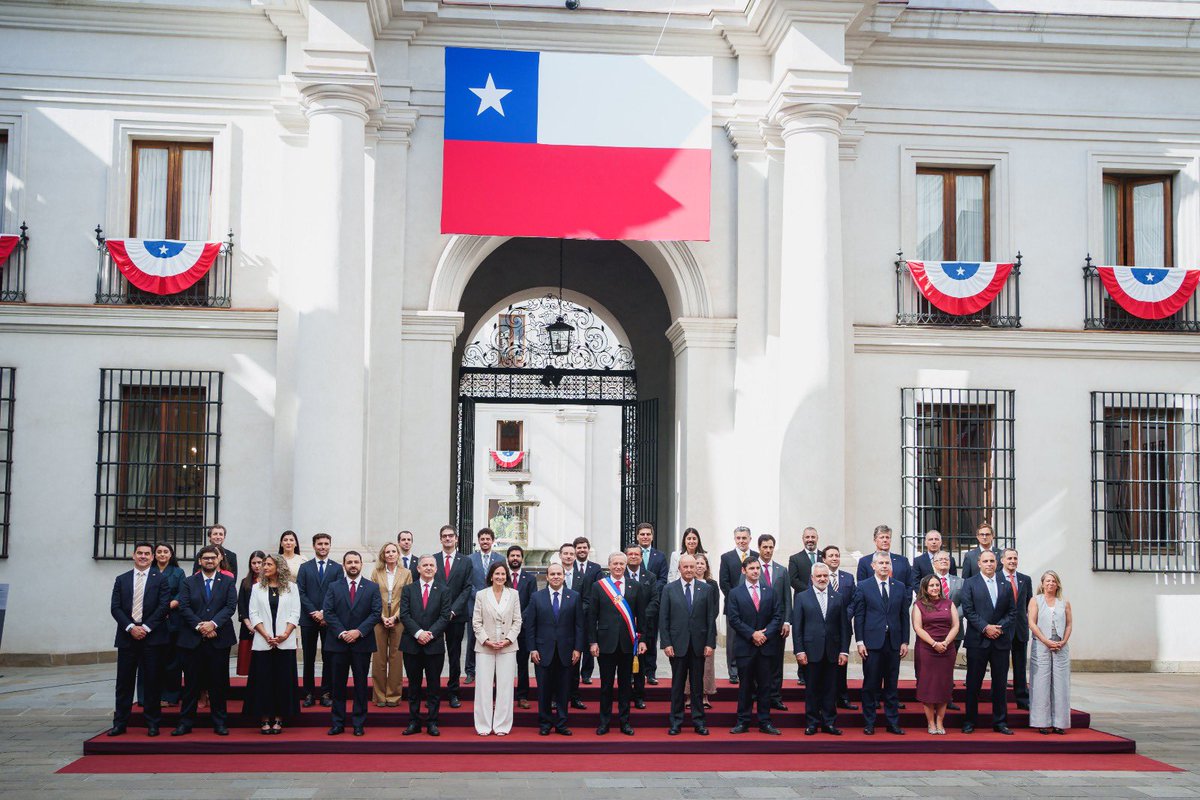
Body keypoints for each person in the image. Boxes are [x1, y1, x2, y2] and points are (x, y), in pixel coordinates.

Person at [173, 545, 238, 736]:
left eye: (213, 558)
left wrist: (213, 624)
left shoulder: (227, 582)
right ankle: (185, 723)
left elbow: (230, 606)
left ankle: (219, 722)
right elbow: (184, 607)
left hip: (219, 639)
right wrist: (201, 626)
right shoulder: (188, 582)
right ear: (200, 561)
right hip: (192, 640)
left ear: (219, 560)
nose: (209, 561)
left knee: (218, 684)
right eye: (205, 558)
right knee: (191, 684)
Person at [109, 542, 170, 737]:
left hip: (152, 637)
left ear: (152, 557)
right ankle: (120, 723)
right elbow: (115, 607)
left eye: (147, 554)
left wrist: (144, 627)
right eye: (139, 553)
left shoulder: (160, 579)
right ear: (133, 555)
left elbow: (163, 607)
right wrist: (130, 627)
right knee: (124, 682)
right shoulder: (121, 579)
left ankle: (152, 723)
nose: (143, 556)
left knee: (152, 681)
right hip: (127, 637)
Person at [586, 551, 650, 736]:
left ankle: (625, 722)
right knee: (606, 686)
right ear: (609, 565)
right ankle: (604, 722)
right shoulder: (599, 586)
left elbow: (642, 616)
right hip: (605, 644)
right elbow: (592, 617)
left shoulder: (635, 586)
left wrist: (643, 639)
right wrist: (592, 642)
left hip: (628, 643)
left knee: (625, 686)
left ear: (626, 565)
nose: (618, 567)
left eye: (622, 564)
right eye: (615, 564)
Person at [323, 551, 382, 736]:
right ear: (344, 565)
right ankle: (338, 723)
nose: (353, 565)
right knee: (338, 685)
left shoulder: (372, 587)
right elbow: (328, 612)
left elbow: (375, 613)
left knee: (360, 685)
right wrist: (342, 632)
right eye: (350, 562)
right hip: (338, 643)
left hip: (361, 643)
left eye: (356, 562)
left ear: (362, 564)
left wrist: (358, 632)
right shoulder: (334, 587)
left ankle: (358, 723)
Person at [851, 551, 910, 736]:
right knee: (870, 684)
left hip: (893, 643)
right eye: (881, 563)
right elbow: (859, 616)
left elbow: (903, 616)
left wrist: (905, 641)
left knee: (891, 685)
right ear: (873, 566)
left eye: (887, 563)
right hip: (871, 644)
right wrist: (859, 641)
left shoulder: (899, 587)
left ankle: (892, 722)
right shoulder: (863, 586)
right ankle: (869, 722)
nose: (885, 566)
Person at [960, 549, 1017, 735]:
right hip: (978, 640)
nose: (989, 564)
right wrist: (986, 628)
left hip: (1000, 641)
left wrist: (998, 628)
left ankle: (1000, 722)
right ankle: (969, 721)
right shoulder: (969, 583)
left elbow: (1012, 612)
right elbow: (968, 610)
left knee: (1000, 684)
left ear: (997, 563)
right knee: (973, 684)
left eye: (992, 561)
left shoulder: (1006, 584)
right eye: (986, 561)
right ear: (979, 564)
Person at [659, 553, 716, 736]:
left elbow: (710, 619)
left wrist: (710, 643)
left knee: (697, 686)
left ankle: (699, 721)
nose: (690, 570)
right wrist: (666, 643)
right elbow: (664, 618)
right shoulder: (669, 589)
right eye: (686, 567)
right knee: (677, 686)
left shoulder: (705, 589)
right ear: (680, 568)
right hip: (677, 646)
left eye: (693, 567)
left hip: (699, 645)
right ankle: (676, 721)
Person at [726, 556, 782, 735]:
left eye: (757, 568)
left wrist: (764, 634)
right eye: (751, 568)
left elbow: (777, 616)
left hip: (766, 647)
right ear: (744, 571)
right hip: (745, 647)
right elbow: (734, 619)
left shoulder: (770, 592)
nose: (756, 571)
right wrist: (753, 634)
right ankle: (743, 721)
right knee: (745, 686)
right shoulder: (735, 593)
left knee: (765, 686)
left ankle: (765, 722)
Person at [792, 562, 850, 736]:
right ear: (812, 578)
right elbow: (798, 628)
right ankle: (812, 723)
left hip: (832, 651)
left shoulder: (838, 597)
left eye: (825, 576)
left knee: (830, 689)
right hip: (810, 651)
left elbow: (843, 627)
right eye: (819, 576)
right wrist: (799, 650)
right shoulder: (802, 597)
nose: (822, 579)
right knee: (812, 690)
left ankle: (829, 723)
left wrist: (844, 651)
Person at [525, 562, 584, 735]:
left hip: (567, 651)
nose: (556, 577)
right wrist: (532, 649)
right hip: (542, 652)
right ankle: (545, 723)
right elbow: (531, 626)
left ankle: (561, 723)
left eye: (559, 574)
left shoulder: (574, 596)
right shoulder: (537, 597)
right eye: (553, 574)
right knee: (544, 689)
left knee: (564, 689)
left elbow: (579, 625)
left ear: (564, 576)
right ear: (547, 577)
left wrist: (578, 649)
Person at [399, 554, 453, 737]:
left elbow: (445, 616)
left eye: (432, 565)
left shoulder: (444, 590)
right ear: (418, 569)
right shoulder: (408, 590)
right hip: (411, 645)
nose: (429, 568)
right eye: (425, 565)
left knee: (434, 686)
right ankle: (414, 722)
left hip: (434, 645)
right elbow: (404, 615)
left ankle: (432, 722)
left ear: (436, 569)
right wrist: (418, 633)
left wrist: (430, 634)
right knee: (413, 687)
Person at [248, 554, 301, 734]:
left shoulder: (292, 588)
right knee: (263, 681)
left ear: (279, 567)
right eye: (264, 564)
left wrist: (285, 634)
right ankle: (264, 718)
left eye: (269, 564)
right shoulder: (257, 588)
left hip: (284, 642)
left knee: (282, 681)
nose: (264, 566)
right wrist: (266, 634)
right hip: (263, 641)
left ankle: (279, 717)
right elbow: (253, 613)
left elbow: (295, 613)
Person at [472, 561, 522, 735]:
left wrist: (508, 640)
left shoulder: (514, 594)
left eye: (503, 574)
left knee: (505, 687)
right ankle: (483, 725)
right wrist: (486, 640)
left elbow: (518, 621)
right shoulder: (481, 595)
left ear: (507, 576)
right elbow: (476, 622)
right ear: (491, 576)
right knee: (483, 687)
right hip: (485, 647)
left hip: (507, 647)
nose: (500, 577)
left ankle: (502, 725)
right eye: (497, 574)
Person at [296, 533, 342, 708]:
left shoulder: (337, 568)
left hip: (328, 620)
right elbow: (300, 592)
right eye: (320, 544)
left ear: (330, 545)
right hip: (309, 619)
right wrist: (314, 612)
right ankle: (308, 693)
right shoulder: (305, 567)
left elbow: (337, 593)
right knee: (308, 657)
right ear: (314, 546)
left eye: (326, 544)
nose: (323, 546)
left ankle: (326, 692)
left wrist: (324, 613)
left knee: (328, 656)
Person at [912, 573, 959, 735]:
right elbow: (918, 628)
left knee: (943, 686)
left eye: (937, 585)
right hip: (927, 650)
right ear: (925, 588)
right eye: (931, 585)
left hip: (947, 649)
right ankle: (931, 723)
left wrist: (945, 643)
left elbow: (955, 626)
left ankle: (940, 722)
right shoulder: (919, 605)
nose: (934, 588)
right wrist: (933, 643)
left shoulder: (949, 603)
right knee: (928, 686)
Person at [432, 525, 472, 708]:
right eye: (444, 536)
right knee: (434, 656)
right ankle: (433, 693)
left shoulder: (465, 561)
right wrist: (441, 612)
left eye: (450, 536)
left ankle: (453, 693)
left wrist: (453, 610)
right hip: (435, 617)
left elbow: (467, 588)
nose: (447, 539)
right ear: (440, 539)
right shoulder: (432, 560)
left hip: (456, 616)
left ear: (456, 539)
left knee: (454, 656)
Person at [1029, 570, 1072, 734]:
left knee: (1060, 683)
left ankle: (1059, 722)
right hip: (1041, 643)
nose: (1050, 584)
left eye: (1053, 581)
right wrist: (1045, 640)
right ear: (1042, 583)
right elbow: (1032, 623)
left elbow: (1069, 624)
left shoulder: (1064, 602)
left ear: (1058, 584)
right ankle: (1042, 721)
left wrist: (1064, 640)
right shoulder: (1036, 600)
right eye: (1047, 581)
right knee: (1041, 682)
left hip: (1060, 643)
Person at [371, 541, 412, 707]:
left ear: (398, 554)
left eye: (393, 551)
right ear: (383, 555)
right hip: (379, 619)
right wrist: (381, 616)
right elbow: (372, 596)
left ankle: (394, 696)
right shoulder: (376, 572)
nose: (390, 554)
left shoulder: (406, 573)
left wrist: (395, 617)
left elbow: (407, 598)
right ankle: (380, 696)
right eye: (387, 552)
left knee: (396, 658)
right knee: (379, 658)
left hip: (399, 619)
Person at [464, 527, 504, 686]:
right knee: (473, 638)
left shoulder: (500, 558)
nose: (485, 542)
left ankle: (493, 672)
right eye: (482, 539)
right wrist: (481, 597)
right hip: (475, 604)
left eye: (488, 539)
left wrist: (492, 598)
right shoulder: (470, 559)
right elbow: (468, 582)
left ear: (492, 541)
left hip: (496, 606)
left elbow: (502, 579)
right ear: (478, 541)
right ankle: (470, 671)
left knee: (493, 637)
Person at [756, 534, 791, 709]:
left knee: (776, 663)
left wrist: (787, 622)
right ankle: (758, 695)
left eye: (771, 547)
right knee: (758, 662)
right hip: (758, 625)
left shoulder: (781, 570)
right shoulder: (752, 568)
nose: (768, 550)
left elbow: (787, 598)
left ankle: (775, 697)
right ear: (759, 548)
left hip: (778, 626)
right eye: (765, 547)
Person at [624, 544, 661, 707]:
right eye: (630, 554)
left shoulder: (650, 577)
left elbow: (655, 600)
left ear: (641, 557)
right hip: (622, 627)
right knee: (624, 663)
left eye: (636, 554)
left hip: (643, 627)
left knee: (641, 663)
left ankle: (639, 696)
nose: (633, 556)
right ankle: (624, 695)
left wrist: (641, 617)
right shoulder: (619, 575)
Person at [718, 525, 756, 684]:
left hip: (755, 606)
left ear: (750, 539)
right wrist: (737, 600)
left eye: (744, 538)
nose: (741, 541)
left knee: (751, 638)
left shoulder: (756, 556)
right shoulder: (726, 557)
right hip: (733, 606)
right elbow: (724, 583)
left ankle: (750, 671)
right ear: (735, 539)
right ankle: (733, 671)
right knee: (733, 640)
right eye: (738, 538)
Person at [822, 545, 858, 710]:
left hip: (844, 628)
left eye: (837, 555)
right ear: (824, 559)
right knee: (826, 664)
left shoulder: (848, 578)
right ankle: (826, 699)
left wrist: (846, 615)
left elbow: (854, 600)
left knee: (842, 663)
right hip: (825, 629)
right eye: (831, 556)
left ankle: (842, 698)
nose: (835, 558)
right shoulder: (819, 577)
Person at [151, 542, 186, 707]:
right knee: (152, 661)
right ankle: (150, 696)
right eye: (159, 552)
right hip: (151, 621)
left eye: (166, 551)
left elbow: (182, 593)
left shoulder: (178, 572)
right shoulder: (149, 571)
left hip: (172, 619)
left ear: (171, 554)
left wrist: (167, 607)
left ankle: (171, 696)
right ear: (154, 555)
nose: (162, 554)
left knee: (172, 661)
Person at [931, 550, 965, 710]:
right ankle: (932, 697)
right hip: (932, 631)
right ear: (934, 563)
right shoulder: (928, 582)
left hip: (955, 630)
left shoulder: (960, 582)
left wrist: (951, 616)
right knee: (933, 667)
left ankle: (947, 698)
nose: (944, 561)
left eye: (946, 559)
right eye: (940, 559)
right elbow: (923, 603)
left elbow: (966, 604)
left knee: (948, 666)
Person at [634, 522, 667, 684]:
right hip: (633, 606)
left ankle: (651, 672)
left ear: (652, 537)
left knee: (651, 639)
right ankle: (634, 673)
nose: (645, 537)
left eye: (648, 534)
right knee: (634, 640)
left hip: (652, 604)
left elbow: (663, 579)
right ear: (637, 536)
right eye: (642, 534)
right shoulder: (631, 554)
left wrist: (651, 588)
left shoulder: (660, 556)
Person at [1000, 547, 1033, 710]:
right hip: (1002, 629)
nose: (1012, 561)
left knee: (1020, 666)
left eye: (1015, 558)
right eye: (1009, 558)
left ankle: (1022, 698)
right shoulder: (996, 578)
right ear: (1002, 560)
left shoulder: (1025, 580)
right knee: (1001, 666)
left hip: (1020, 629)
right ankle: (999, 698)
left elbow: (1029, 605)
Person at [559, 541, 590, 709]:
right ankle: (557, 697)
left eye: (571, 554)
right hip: (558, 627)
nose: (569, 556)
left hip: (577, 626)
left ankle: (574, 696)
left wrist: (573, 610)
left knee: (575, 662)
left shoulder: (582, 577)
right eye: (566, 553)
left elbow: (587, 601)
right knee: (557, 664)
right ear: (560, 555)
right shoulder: (554, 574)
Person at [507, 545, 537, 709]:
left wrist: (517, 620)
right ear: (508, 558)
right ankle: (504, 696)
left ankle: (523, 696)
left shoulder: (530, 579)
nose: (515, 558)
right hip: (504, 629)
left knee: (522, 665)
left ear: (522, 558)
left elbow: (532, 602)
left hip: (523, 629)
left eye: (518, 555)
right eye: (512, 555)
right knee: (503, 664)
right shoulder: (502, 577)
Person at [573, 536, 602, 685]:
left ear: (588, 549)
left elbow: (599, 589)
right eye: (579, 547)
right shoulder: (570, 566)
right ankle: (573, 674)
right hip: (572, 613)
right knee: (575, 644)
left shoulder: (595, 568)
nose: (582, 550)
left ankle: (586, 674)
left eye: (584, 547)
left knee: (589, 642)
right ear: (575, 550)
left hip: (590, 612)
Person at [691, 553, 719, 709]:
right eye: (697, 563)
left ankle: (705, 695)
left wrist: (705, 624)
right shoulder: (687, 582)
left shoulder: (712, 584)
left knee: (707, 664)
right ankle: (689, 695)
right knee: (689, 664)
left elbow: (714, 608)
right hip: (689, 630)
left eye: (702, 563)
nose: (699, 566)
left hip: (707, 629)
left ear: (706, 566)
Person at [856, 524, 914, 592]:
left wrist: (905, 601)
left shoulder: (903, 561)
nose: (885, 540)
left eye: (887, 537)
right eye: (881, 537)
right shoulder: (865, 562)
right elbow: (861, 587)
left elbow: (909, 585)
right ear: (875, 540)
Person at [236, 551, 266, 679]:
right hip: (248, 626)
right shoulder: (245, 582)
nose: (257, 566)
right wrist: (249, 624)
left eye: (259, 562)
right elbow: (241, 604)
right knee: (248, 662)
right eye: (253, 563)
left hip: (266, 625)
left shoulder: (270, 581)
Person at [787, 526, 822, 595]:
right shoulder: (795, 559)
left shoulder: (825, 556)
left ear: (817, 538)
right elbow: (793, 580)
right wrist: (811, 592)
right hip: (803, 598)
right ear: (803, 539)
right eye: (807, 537)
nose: (810, 539)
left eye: (813, 537)